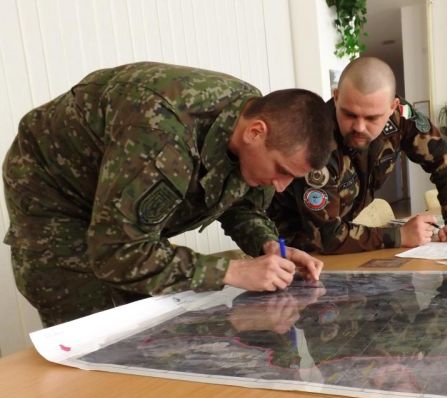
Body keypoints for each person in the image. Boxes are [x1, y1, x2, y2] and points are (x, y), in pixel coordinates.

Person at [3, 62, 334, 327]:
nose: (280, 186)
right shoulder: (160, 133)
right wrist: (231, 271)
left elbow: (239, 202)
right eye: (281, 171)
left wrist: (267, 244)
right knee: (93, 334)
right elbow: (118, 251)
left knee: (147, 321)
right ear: (255, 132)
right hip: (56, 197)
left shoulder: (255, 121)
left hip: (119, 200)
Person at [268, 57, 447, 254]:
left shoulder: (401, 116)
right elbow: (326, 235)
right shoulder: (315, 141)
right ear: (336, 97)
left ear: (392, 107)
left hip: (341, 247)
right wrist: (400, 235)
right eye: (349, 114)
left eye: (372, 118)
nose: (359, 127)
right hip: (290, 250)